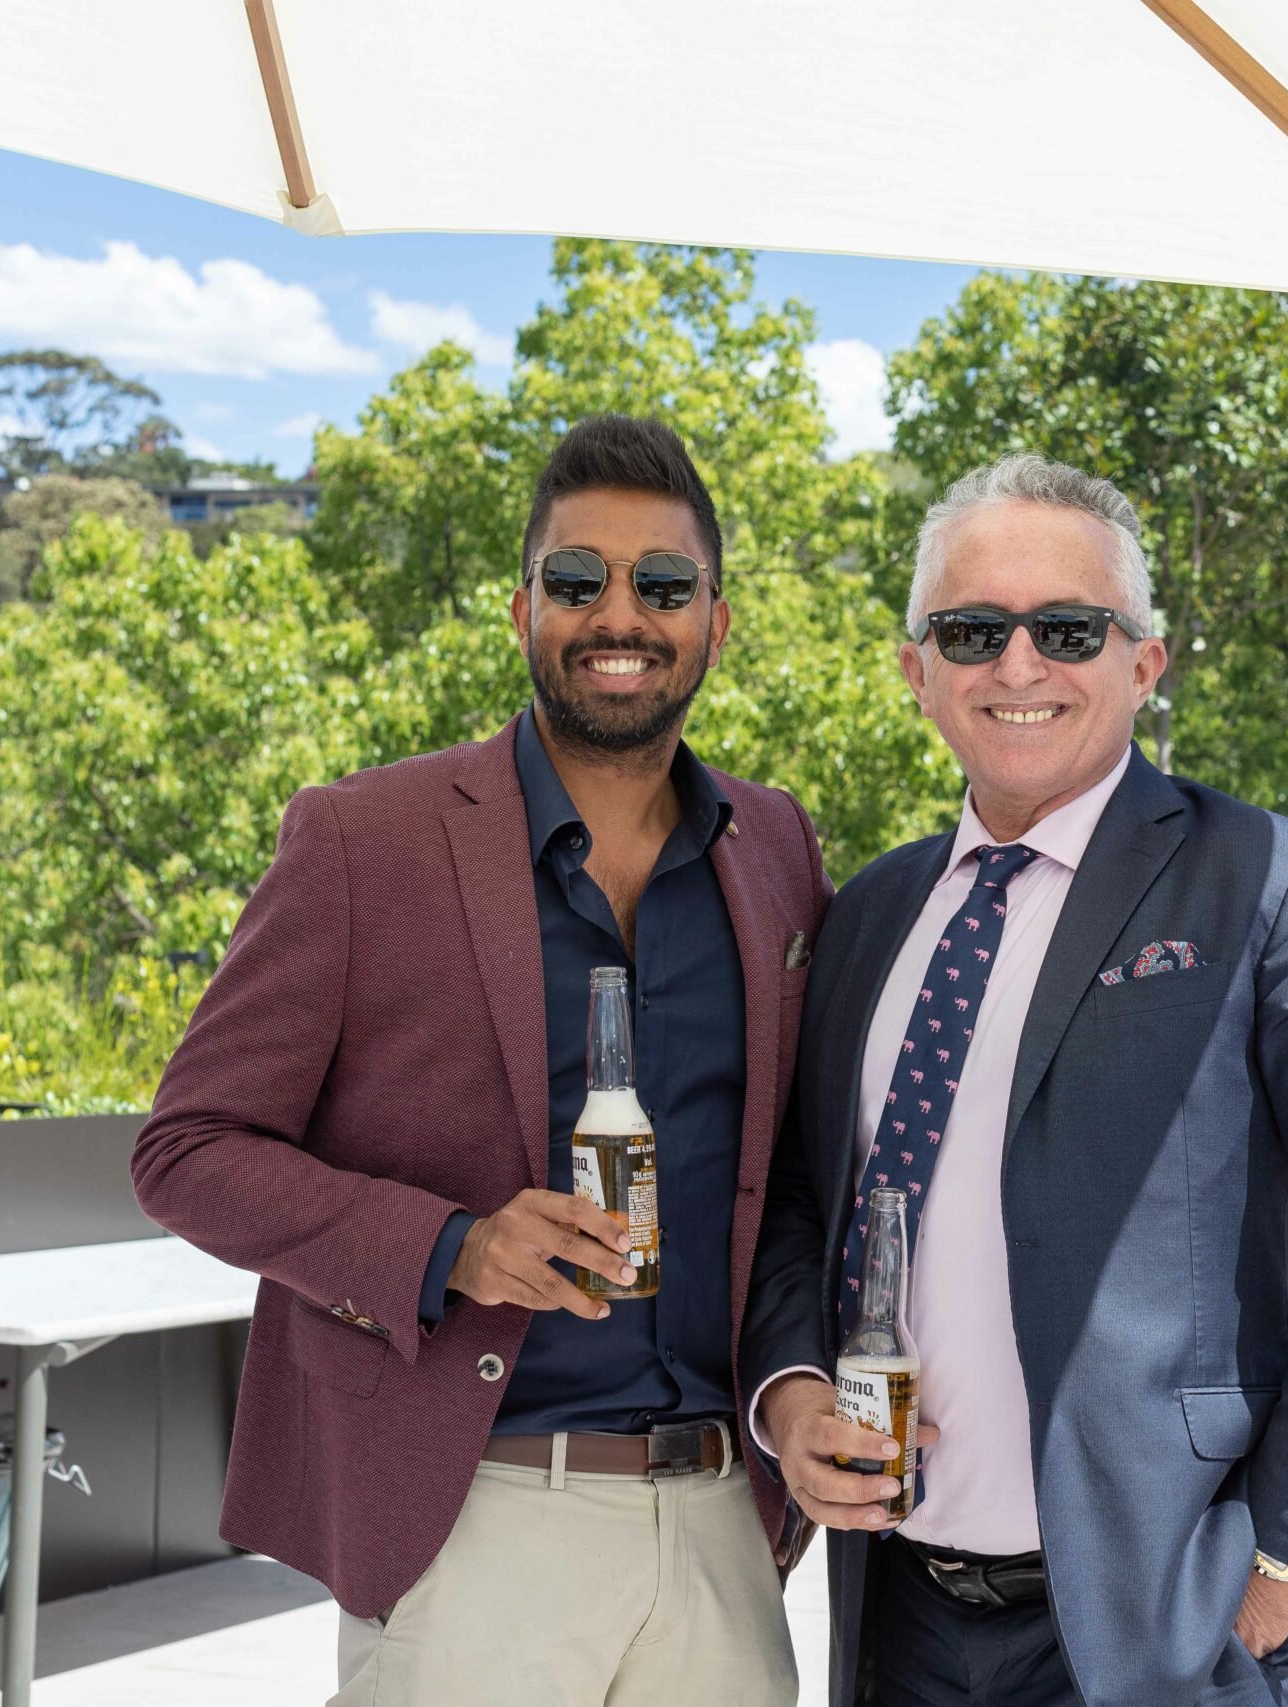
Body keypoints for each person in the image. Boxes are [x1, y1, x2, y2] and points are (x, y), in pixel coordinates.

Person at [742, 454, 1288, 1707]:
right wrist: (791, 1393)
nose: (1016, 664)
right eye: (971, 631)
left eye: (1067, 628)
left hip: (1171, 1632)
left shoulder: (1271, 882)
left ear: (1144, 663)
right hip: (903, 1622)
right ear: (916, 670)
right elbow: (807, 1202)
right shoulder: (867, 913)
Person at [134, 415, 830, 1706]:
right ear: (522, 610)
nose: (618, 614)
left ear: (715, 623)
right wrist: (452, 1247)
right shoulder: (363, 840)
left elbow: (792, 1175)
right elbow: (186, 1153)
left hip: (723, 1527)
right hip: (473, 1523)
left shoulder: (778, 847)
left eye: (661, 583)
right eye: (577, 579)